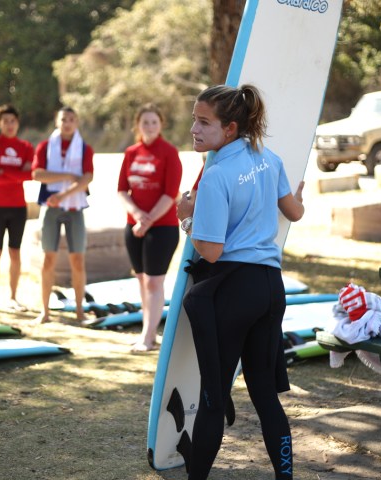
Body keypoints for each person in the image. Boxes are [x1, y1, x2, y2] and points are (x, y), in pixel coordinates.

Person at [177, 84, 305, 480]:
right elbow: (294, 212)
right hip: (270, 287)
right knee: (265, 396)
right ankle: (286, 476)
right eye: (194, 120)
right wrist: (296, 194)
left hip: (233, 289)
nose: (194, 129)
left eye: (204, 122)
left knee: (213, 399)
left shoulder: (216, 176)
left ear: (230, 128)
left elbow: (211, 251)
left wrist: (186, 217)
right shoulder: (270, 159)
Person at [118, 103, 183, 353]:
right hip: (134, 226)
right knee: (142, 280)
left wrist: (147, 221)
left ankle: (148, 337)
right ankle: (148, 331)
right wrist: (137, 216)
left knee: (154, 283)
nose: (150, 126)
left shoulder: (169, 152)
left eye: (154, 122)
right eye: (145, 122)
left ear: (161, 124)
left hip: (162, 228)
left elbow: (170, 194)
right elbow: (122, 190)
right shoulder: (131, 152)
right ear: (138, 125)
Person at [32, 106, 94, 324]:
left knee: (77, 259)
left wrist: (63, 193)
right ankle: (45, 311)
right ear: (57, 122)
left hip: (75, 207)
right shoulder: (45, 147)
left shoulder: (84, 149)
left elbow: (86, 178)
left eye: (71, 119)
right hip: (50, 207)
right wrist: (67, 175)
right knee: (48, 258)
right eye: (63, 119)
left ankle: (79, 311)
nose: (67, 123)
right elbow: (38, 174)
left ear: (77, 123)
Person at [0, 104, 34, 314]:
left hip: (18, 207)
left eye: (13, 121)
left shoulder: (26, 147)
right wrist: (14, 172)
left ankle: (13, 298)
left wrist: (3, 171)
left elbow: (29, 175)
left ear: (18, 123)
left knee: (15, 252)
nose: (9, 125)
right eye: (5, 121)